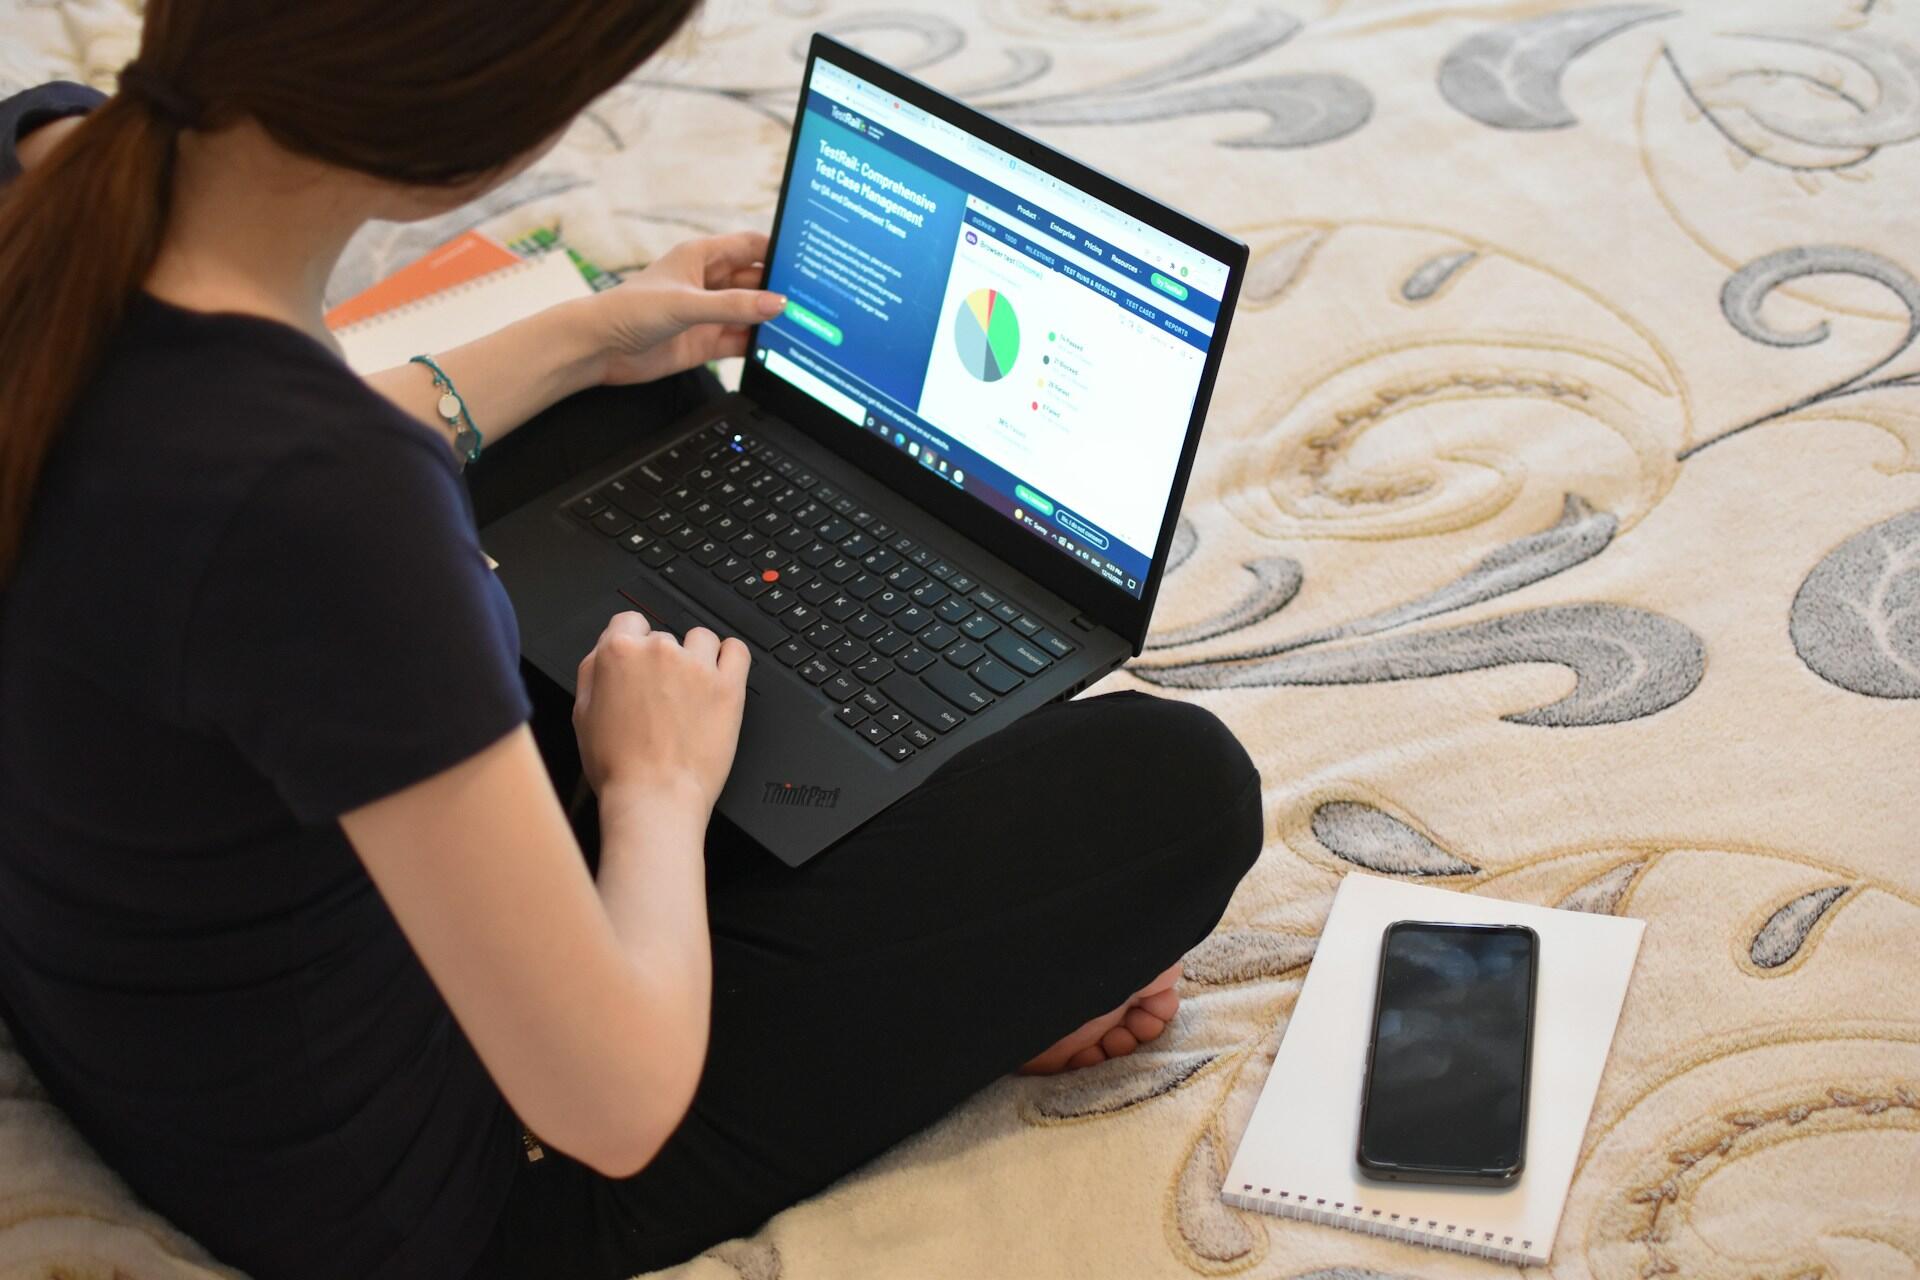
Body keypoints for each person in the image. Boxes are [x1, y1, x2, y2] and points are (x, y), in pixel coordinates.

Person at [0, 3, 1262, 1278]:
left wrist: (585, 337)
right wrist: (652, 786)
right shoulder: (335, 505)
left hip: (117, 980)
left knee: (646, 411)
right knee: (1171, 791)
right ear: (486, 128)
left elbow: (220, 493)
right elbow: (610, 1107)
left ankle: (822, 811)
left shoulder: (44, 162)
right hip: (438, 1179)